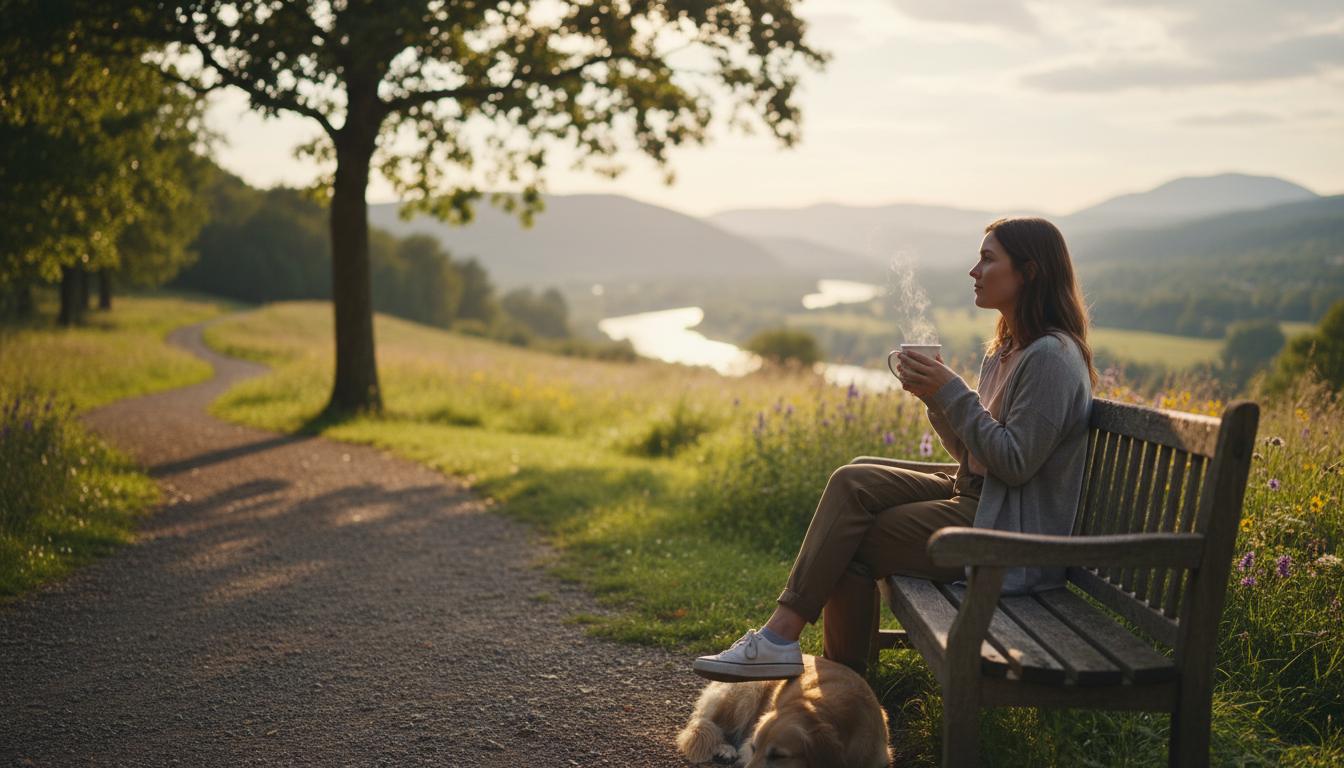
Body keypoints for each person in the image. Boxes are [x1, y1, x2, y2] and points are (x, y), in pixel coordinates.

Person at [692, 216, 1098, 682]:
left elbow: (1015, 463)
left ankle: (834, 685)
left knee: (852, 542)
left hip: (1006, 531)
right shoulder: (1007, 351)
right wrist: (936, 400)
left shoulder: (1050, 357)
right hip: (981, 498)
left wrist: (953, 392)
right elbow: (972, 454)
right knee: (854, 478)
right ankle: (785, 644)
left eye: (988, 259)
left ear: (1028, 272)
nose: (974, 271)